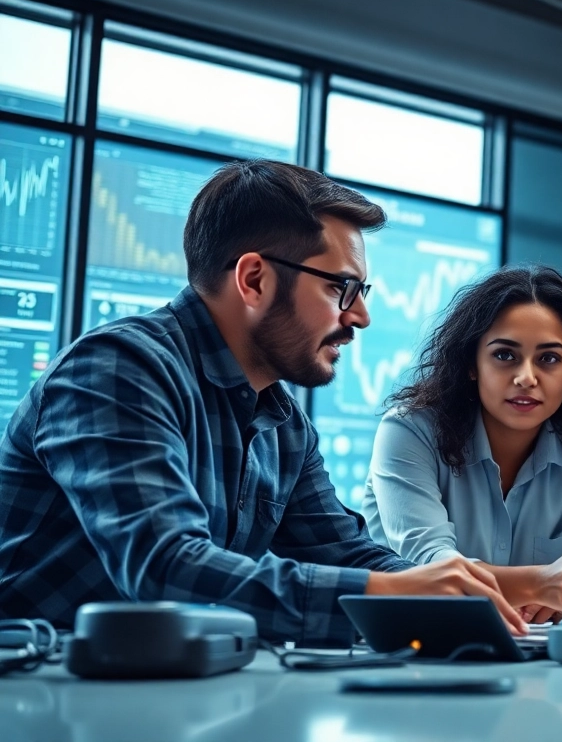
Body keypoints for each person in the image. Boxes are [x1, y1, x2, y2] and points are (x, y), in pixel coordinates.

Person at [0, 160, 525, 644]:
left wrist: (452, 595)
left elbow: (343, 551)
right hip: (35, 694)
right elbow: (166, 569)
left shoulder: (283, 423)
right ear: (254, 279)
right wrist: (397, 597)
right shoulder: (117, 369)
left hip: (167, 688)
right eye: (341, 288)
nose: (360, 316)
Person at [362, 265, 562, 621]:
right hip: (410, 651)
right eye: (505, 355)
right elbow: (433, 568)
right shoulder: (409, 431)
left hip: (534, 661)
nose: (526, 378)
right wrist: (543, 583)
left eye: (549, 359)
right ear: (471, 363)